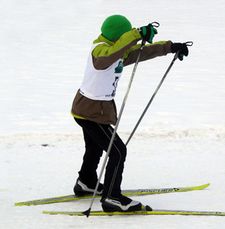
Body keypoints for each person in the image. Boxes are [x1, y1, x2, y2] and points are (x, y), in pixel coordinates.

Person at [71, 15, 191, 212]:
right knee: (118, 151)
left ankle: (86, 182)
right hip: (91, 111)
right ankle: (111, 197)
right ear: (119, 37)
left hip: (89, 110)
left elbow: (140, 52)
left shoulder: (116, 51)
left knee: (95, 147)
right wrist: (136, 34)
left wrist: (170, 47)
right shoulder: (101, 50)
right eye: (125, 37)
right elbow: (104, 60)